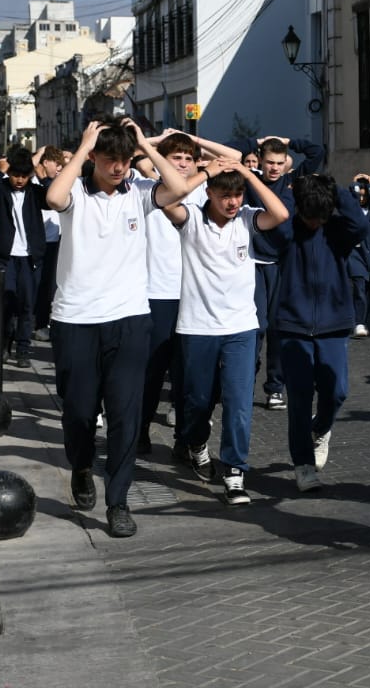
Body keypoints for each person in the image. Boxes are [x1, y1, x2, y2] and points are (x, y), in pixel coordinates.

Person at [45, 117, 197, 538]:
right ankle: (79, 464)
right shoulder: (76, 188)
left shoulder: (142, 192)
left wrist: (146, 148)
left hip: (129, 317)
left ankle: (118, 501)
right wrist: (83, 147)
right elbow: (54, 195)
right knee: (78, 411)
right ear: (94, 157)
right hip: (75, 319)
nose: (119, 168)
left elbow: (181, 188)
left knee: (125, 414)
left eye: (124, 160)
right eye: (111, 160)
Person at [166, 157, 289, 504]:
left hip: (241, 328)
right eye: (225, 195)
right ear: (210, 193)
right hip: (197, 328)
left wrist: (248, 174)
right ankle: (195, 442)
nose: (233, 202)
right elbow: (169, 201)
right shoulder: (190, 220)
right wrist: (204, 172)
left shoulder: (248, 219)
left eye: (237, 195)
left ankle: (235, 471)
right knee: (197, 401)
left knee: (238, 404)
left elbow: (279, 214)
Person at [193, 134, 325, 410]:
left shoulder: (295, 180)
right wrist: (254, 140)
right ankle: (242, 380)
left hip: (284, 265)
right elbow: (233, 150)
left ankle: (275, 387)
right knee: (256, 326)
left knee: (279, 328)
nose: (274, 168)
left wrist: (290, 141)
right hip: (252, 263)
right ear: (260, 161)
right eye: (269, 162)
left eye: (279, 163)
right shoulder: (249, 178)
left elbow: (316, 151)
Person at [273, 174, 367, 491]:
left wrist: (333, 188)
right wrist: (290, 194)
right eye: (310, 217)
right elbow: (281, 223)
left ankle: (322, 428)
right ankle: (303, 466)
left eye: (320, 218)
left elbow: (361, 225)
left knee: (337, 390)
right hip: (292, 325)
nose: (315, 223)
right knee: (299, 398)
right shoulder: (289, 231)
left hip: (334, 323)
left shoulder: (337, 231)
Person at [134, 132, 208, 456]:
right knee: (152, 369)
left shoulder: (206, 190)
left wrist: (190, 139)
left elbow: (233, 154)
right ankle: (140, 431)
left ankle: (184, 438)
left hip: (195, 293)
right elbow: (133, 153)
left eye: (188, 158)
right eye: (175, 157)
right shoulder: (147, 188)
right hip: (156, 292)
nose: (182, 163)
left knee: (187, 372)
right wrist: (156, 140)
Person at [0, 146, 48, 370]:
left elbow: (52, 199)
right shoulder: (1, 188)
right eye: (15, 175)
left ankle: (23, 350)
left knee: (26, 306)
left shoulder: (34, 191)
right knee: (5, 304)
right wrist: (0, 173)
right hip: (6, 257)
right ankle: (4, 346)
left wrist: (42, 175)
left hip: (30, 258)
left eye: (24, 176)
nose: (19, 180)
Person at [32, 145, 67, 341]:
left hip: (54, 240)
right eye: (57, 164)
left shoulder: (57, 182)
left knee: (49, 285)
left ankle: (42, 323)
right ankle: (33, 321)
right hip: (34, 241)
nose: (60, 168)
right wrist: (37, 154)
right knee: (34, 284)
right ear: (45, 163)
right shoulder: (30, 179)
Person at [347, 173, 370, 338]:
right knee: (359, 290)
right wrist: (354, 183)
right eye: (359, 195)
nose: (361, 198)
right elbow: (352, 199)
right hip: (356, 257)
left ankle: (362, 319)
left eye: (365, 195)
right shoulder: (352, 212)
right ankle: (358, 323)